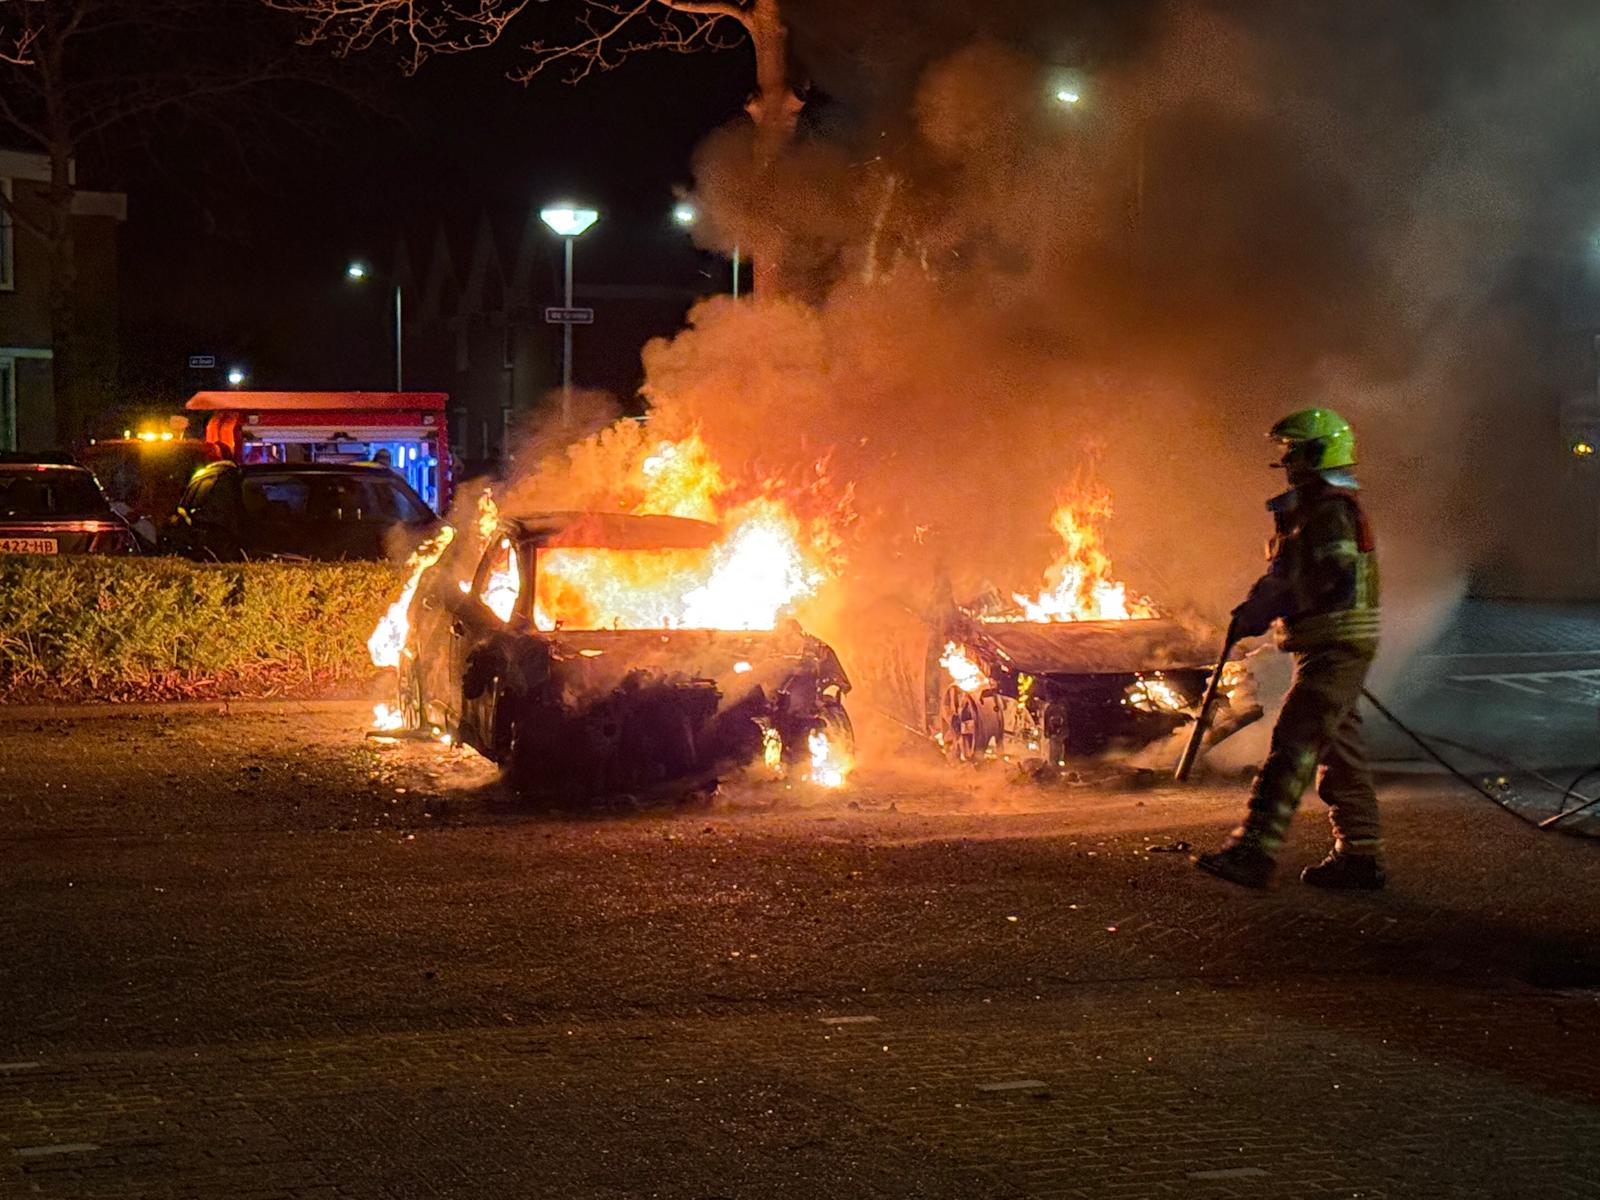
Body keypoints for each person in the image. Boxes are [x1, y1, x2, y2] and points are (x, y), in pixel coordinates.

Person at [1196, 407, 1384, 890]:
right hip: (1326, 645)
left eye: (1293, 448)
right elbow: (1286, 574)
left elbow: (1329, 576)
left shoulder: (1329, 509)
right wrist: (1254, 608)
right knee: (1340, 753)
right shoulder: (1307, 509)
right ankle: (1359, 858)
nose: (1286, 457)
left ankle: (1254, 851)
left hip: (1336, 646)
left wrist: (1274, 604)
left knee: (1294, 745)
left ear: (1317, 451)